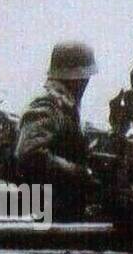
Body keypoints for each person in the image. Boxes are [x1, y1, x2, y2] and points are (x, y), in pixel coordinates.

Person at [15, 41, 99, 221]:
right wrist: (78, 172)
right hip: (47, 211)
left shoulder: (64, 106)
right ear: (77, 79)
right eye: (85, 77)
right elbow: (29, 153)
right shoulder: (48, 104)